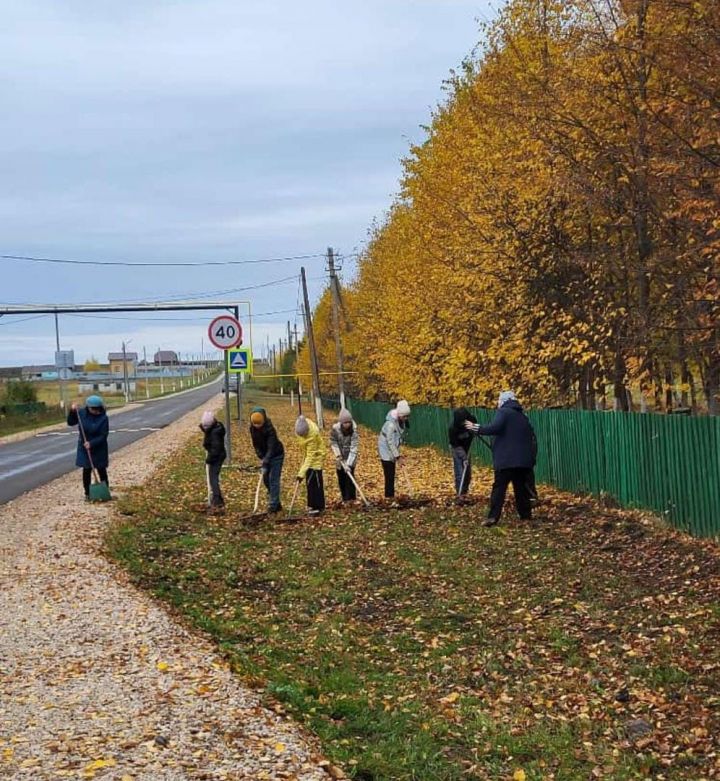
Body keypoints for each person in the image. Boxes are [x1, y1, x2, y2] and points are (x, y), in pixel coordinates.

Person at [465, 390, 535, 526]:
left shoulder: (504, 412)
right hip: (522, 461)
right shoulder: (522, 416)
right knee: (520, 488)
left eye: (499, 400)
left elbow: (494, 428)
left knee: (499, 489)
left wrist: (476, 428)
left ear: (503, 401)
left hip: (506, 460)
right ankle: (525, 516)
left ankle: (493, 517)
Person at [67, 395, 110, 501]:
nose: (96, 411)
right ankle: (88, 493)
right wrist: (72, 411)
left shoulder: (103, 418)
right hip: (84, 447)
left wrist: (92, 443)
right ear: (88, 408)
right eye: (93, 409)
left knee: (101, 469)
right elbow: (70, 422)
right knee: (87, 470)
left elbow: (103, 435)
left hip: (99, 447)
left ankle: (104, 492)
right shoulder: (81, 413)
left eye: (98, 409)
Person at [249, 406, 284, 513]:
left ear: (263, 421)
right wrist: (261, 456)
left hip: (276, 455)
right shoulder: (252, 429)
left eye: (259, 424)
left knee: (273, 479)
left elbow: (271, 447)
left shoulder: (270, 429)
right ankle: (276, 502)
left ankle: (272, 506)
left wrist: (266, 460)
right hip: (265, 456)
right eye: (255, 424)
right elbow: (256, 444)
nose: (257, 426)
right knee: (266, 479)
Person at [377, 400, 411, 499]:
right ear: (399, 415)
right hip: (385, 448)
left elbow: (397, 438)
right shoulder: (390, 425)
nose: (406, 418)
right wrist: (398, 457)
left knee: (392, 473)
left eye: (407, 416)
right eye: (404, 416)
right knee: (389, 474)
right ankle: (389, 497)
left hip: (392, 447)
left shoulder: (400, 421)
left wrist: (397, 454)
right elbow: (390, 442)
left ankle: (391, 495)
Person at [295, 415, 326, 515]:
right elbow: (306, 449)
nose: (302, 437)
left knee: (315, 483)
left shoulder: (312, 434)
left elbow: (311, 456)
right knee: (309, 483)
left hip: (316, 457)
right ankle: (312, 505)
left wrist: (300, 474)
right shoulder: (300, 429)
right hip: (309, 456)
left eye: (304, 435)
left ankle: (318, 506)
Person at [330, 408, 359, 502]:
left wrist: (349, 464)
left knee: (350, 478)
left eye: (349, 422)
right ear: (341, 423)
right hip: (340, 458)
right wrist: (338, 455)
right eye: (345, 423)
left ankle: (352, 498)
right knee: (341, 478)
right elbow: (333, 442)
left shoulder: (354, 431)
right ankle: (345, 499)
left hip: (350, 457)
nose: (347, 424)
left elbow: (354, 448)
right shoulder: (335, 430)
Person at [200, 410, 226, 513]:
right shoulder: (215, 428)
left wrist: (208, 460)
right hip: (217, 455)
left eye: (206, 427)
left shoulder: (215, 433)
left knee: (213, 479)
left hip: (217, 457)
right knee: (213, 478)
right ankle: (218, 499)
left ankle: (217, 500)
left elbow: (215, 450)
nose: (205, 428)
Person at [448, 407, 477, 496]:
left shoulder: (470, 420)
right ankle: (459, 493)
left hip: (467, 448)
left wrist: (474, 430)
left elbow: (476, 427)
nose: (463, 423)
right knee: (460, 473)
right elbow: (455, 445)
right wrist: (464, 458)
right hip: (457, 449)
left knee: (467, 473)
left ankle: (465, 492)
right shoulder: (452, 428)